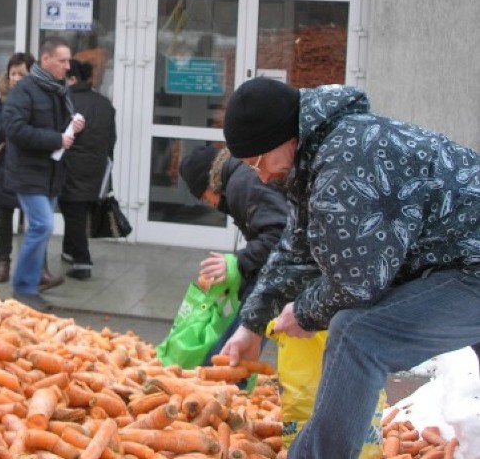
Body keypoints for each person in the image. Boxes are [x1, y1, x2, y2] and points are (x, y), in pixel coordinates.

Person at [218, 77, 480, 459]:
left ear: (285, 138)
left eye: (258, 161)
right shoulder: (322, 150)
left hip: (471, 266)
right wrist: (251, 326)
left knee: (358, 334)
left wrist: (304, 313)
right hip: (461, 259)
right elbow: (296, 248)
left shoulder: (346, 160)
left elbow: (358, 283)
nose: (260, 176)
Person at [178, 144, 288, 359]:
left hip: (281, 277)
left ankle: (225, 384)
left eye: (203, 197)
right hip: (280, 274)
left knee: (231, 351)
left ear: (209, 184)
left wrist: (238, 262)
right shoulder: (240, 177)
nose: (209, 204)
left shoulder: (241, 183)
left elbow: (279, 234)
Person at [2, 37, 85, 311]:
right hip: (28, 172)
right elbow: (14, 129)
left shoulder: (58, 91)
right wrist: (56, 139)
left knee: (42, 228)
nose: (67, 66)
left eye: (68, 60)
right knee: (41, 226)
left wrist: (72, 127)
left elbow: (58, 129)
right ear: (46, 60)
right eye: (62, 61)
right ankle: (23, 288)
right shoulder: (24, 91)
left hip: (50, 173)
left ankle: (34, 281)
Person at [59, 59, 116, 280]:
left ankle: (82, 262)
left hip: (71, 167)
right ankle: (68, 251)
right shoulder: (104, 103)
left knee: (73, 213)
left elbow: (62, 136)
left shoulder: (67, 101)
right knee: (76, 213)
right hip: (96, 168)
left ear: (72, 79)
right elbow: (112, 139)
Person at [0, 52, 37, 283]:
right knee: (4, 213)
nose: (16, 78)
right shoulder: (0, 96)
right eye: (13, 73)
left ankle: (33, 266)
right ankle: (3, 261)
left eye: (22, 74)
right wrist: (19, 125)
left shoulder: (39, 97)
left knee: (35, 216)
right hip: (6, 164)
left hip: (30, 163)